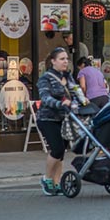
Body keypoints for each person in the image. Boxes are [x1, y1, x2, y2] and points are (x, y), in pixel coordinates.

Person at [36, 47, 80, 196]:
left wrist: (82, 102)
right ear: (53, 61)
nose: (65, 61)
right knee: (57, 149)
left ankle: (56, 182)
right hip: (47, 118)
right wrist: (60, 104)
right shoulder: (46, 78)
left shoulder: (69, 77)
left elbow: (75, 92)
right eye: (62, 59)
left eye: (66, 59)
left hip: (65, 118)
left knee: (61, 152)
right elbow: (45, 97)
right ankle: (46, 179)